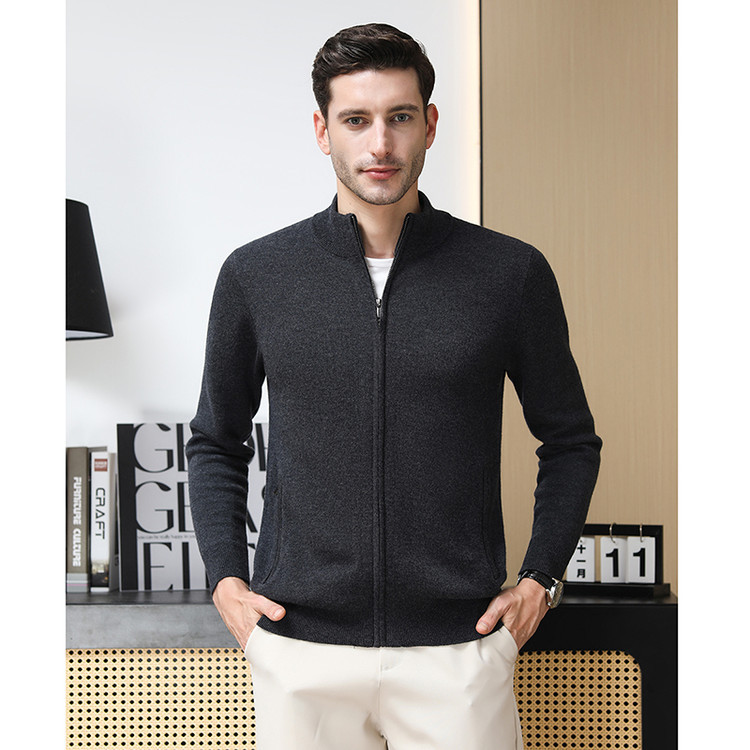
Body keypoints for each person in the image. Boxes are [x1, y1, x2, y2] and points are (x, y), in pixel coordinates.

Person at [186, 22, 601, 750]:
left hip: (459, 652)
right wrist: (226, 579)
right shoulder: (258, 275)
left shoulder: (508, 274)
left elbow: (570, 440)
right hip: (301, 649)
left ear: (430, 125)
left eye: (399, 117)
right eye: (356, 120)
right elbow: (216, 441)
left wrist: (542, 578)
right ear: (323, 131)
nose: (380, 144)